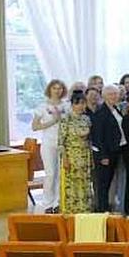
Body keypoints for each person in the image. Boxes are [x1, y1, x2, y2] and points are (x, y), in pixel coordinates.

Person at [32, 79, 68, 213]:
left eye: (60, 88)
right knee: (50, 173)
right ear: (50, 90)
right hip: (48, 143)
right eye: (54, 88)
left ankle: (58, 202)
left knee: (61, 174)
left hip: (63, 143)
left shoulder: (67, 106)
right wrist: (54, 121)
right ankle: (47, 203)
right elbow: (35, 126)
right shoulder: (42, 107)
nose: (57, 91)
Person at [90, 85, 125, 213]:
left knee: (109, 182)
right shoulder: (100, 112)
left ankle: (105, 207)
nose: (114, 96)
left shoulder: (116, 109)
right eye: (110, 94)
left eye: (115, 94)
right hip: (105, 154)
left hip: (115, 151)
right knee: (103, 184)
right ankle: (102, 209)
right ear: (104, 96)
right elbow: (97, 137)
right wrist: (103, 156)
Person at [58, 90, 93, 214]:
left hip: (85, 154)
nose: (81, 106)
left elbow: (89, 139)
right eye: (78, 103)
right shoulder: (66, 119)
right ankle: (72, 209)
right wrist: (65, 158)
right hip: (72, 155)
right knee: (72, 182)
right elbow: (61, 142)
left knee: (85, 181)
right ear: (72, 104)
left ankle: (85, 208)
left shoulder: (87, 118)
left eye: (83, 103)